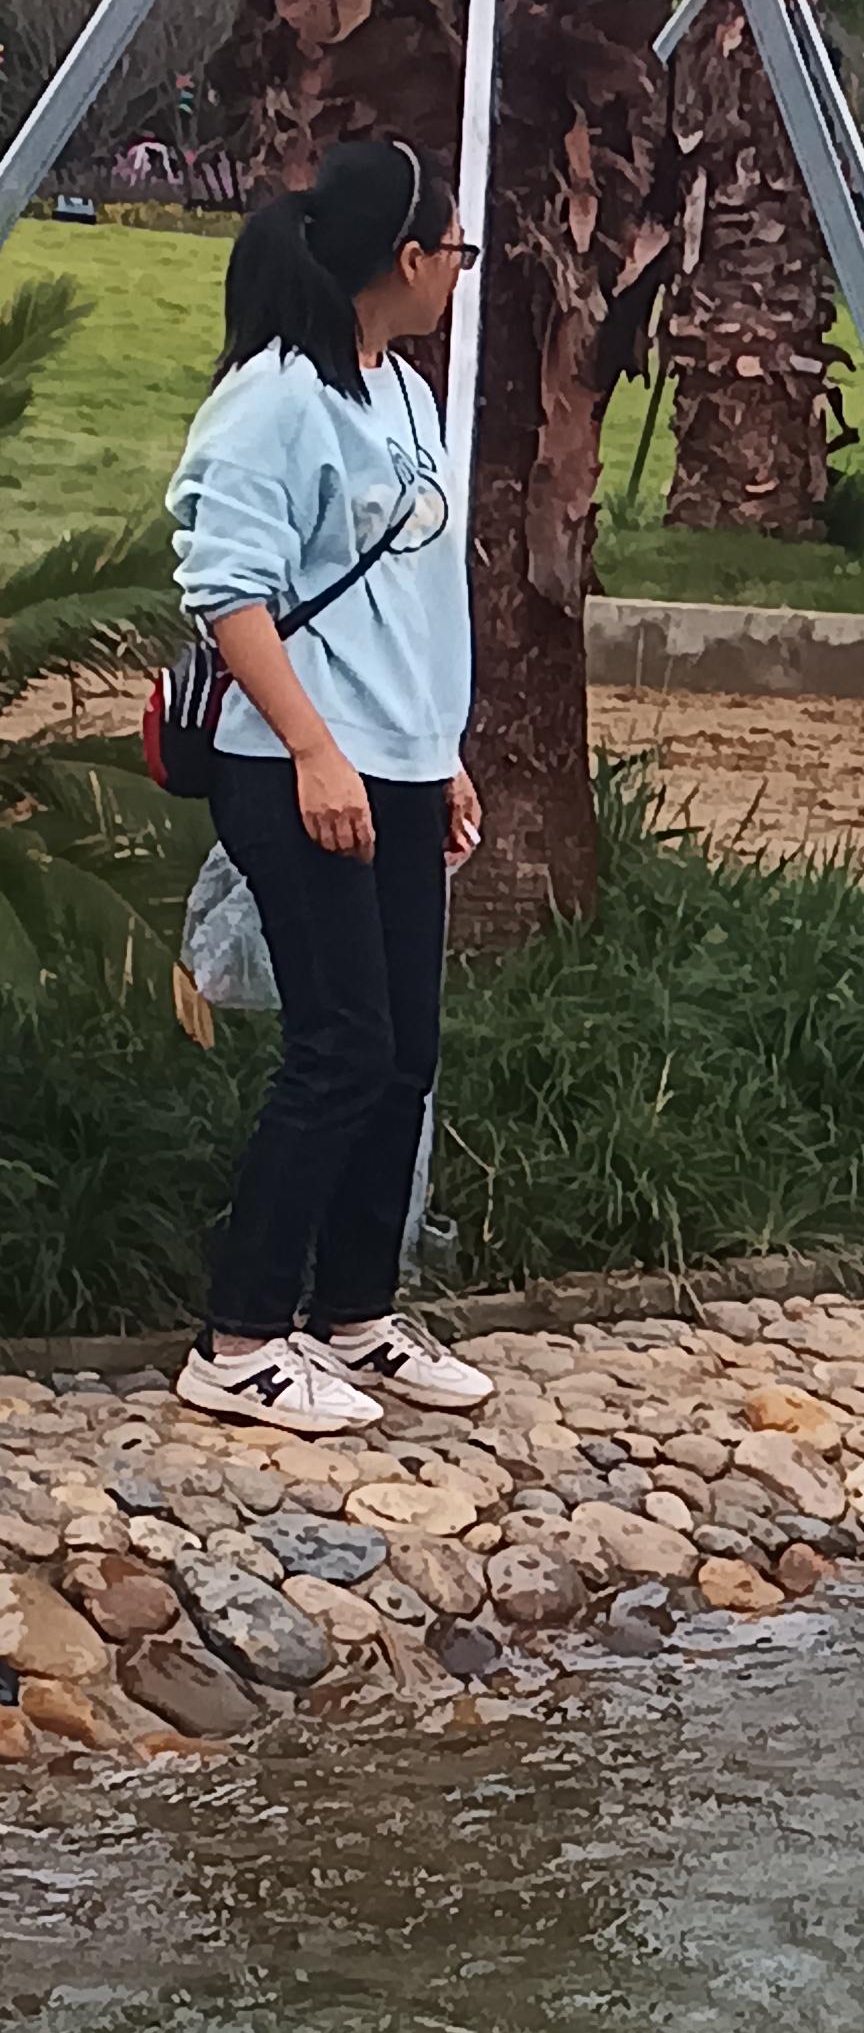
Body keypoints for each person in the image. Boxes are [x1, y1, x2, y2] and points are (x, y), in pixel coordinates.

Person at [167, 137, 493, 1440]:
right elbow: (225, 589)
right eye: (456, 249)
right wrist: (314, 748)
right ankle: (240, 1335)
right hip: (293, 768)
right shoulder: (275, 400)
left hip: (401, 769)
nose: (464, 269)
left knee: (403, 1052)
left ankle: (356, 1312)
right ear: (405, 261)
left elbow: (403, 595)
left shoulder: (400, 392)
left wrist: (438, 750)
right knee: (339, 1050)